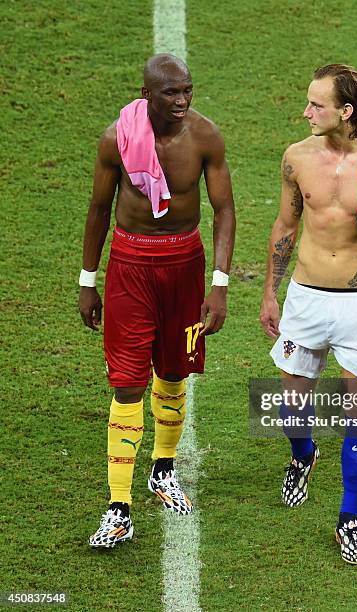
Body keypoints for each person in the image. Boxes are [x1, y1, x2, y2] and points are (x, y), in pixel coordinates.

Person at [260, 64, 357, 564]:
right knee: (291, 406)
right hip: (306, 298)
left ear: (346, 112)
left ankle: (350, 518)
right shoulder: (296, 158)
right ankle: (303, 456)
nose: (305, 112)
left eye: (316, 105)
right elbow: (286, 224)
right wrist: (270, 291)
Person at [80, 54, 235, 548]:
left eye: (188, 90)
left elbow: (224, 208)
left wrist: (220, 283)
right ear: (146, 94)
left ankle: (162, 471)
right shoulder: (115, 140)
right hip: (130, 267)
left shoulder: (205, 136)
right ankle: (118, 506)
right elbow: (99, 208)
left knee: (173, 372)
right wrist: (88, 279)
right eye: (171, 93)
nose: (183, 101)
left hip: (185, 269)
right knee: (127, 385)